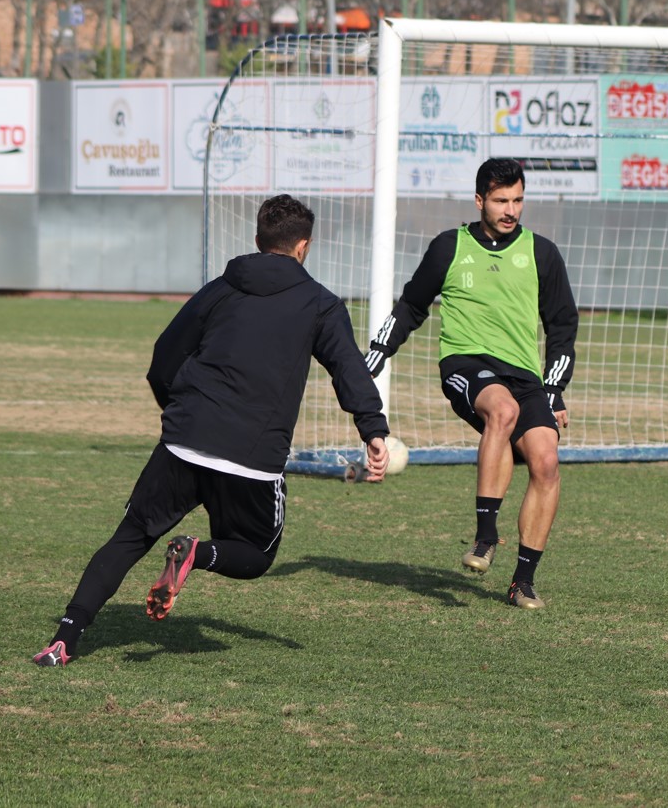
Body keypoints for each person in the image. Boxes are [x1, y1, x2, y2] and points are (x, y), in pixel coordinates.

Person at [32, 194, 390, 667]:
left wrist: (180, 413)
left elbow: (164, 357)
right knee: (256, 554)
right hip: (251, 457)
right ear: (303, 247)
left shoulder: (221, 288)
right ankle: (194, 554)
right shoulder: (320, 305)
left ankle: (65, 637)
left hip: (185, 442)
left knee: (131, 535)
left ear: (257, 239)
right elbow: (348, 367)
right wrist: (372, 429)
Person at [366, 157, 577, 609]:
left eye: (518, 200)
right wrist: (378, 352)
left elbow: (562, 326)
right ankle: (485, 536)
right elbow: (412, 306)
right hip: (465, 364)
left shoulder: (542, 253)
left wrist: (554, 389)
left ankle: (522, 581)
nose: (511, 210)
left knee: (546, 462)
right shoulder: (449, 247)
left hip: (525, 376)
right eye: (501, 200)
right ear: (480, 200)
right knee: (502, 411)